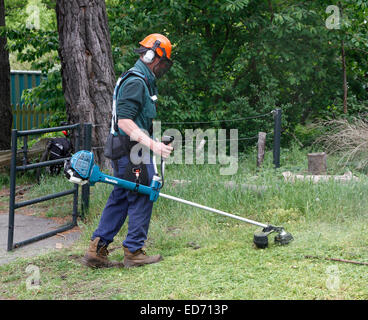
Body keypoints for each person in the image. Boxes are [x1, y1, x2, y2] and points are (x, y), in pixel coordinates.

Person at [82, 34, 174, 268]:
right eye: (163, 63)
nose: (163, 68)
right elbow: (124, 121)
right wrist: (154, 145)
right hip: (131, 150)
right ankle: (134, 251)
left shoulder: (140, 79)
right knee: (144, 193)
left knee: (122, 196)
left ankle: (97, 248)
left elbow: (136, 121)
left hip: (126, 148)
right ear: (154, 57)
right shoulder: (136, 81)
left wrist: (153, 142)